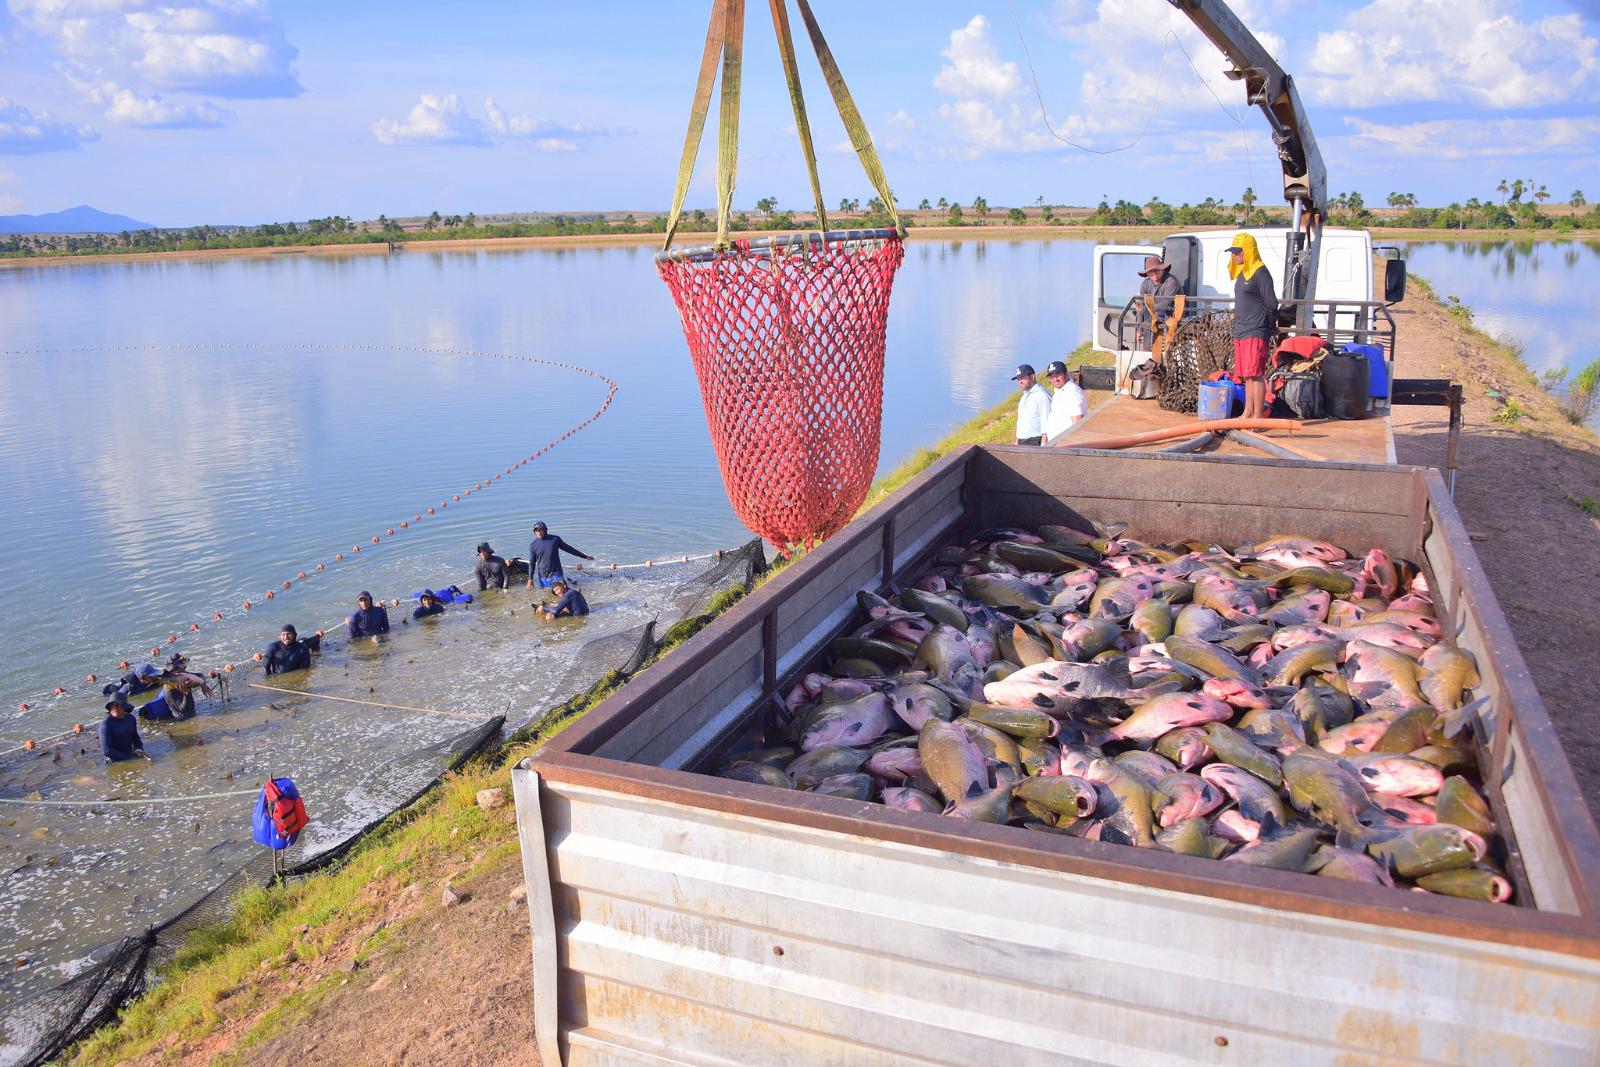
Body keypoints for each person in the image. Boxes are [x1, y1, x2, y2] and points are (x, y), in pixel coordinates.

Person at [1229, 233, 1278, 420]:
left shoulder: (1261, 272)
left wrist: (1270, 326)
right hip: (1241, 330)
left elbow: (1272, 303)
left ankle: (1257, 416)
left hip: (1256, 330)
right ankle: (1247, 412)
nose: (1234, 256)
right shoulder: (1242, 273)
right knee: (1247, 375)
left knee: (1256, 374)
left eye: (1237, 252)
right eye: (1233, 253)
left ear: (1248, 252)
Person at [140, 653, 210, 721]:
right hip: (184, 722)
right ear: (173, 672)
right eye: (182, 666)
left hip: (192, 716)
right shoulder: (169, 690)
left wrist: (203, 684)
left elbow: (200, 675)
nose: (185, 667)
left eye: (184, 664)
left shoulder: (182, 676)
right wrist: (186, 695)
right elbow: (185, 712)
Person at [526, 521, 594, 588]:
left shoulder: (555, 539)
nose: (538, 532)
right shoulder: (533, 545)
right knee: (548, 596)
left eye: (540, 529)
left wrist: (584, 556)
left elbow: (569, 549)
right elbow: (532, 563)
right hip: (542, 576)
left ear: (545, 530)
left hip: (556, 572)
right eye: (536, 530)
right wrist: (530, 579)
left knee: (561, 590)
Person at [1136, 257, 1181, 350]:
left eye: (1156, 270)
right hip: (1152, 315)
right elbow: (1141, 307)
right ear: (1147, 273)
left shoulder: (1171, 281)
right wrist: (1139, 328)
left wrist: (1144, 308)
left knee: (1171, 323)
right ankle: (1146, 351)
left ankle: (1169, 353)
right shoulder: (1145, 284)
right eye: (1150, 271)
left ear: (1162, 269)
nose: (1154, 273)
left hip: (1171, 315)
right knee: (1145, 319)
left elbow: (1166, 304)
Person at [1043, 360, 1087, 444]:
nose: (1055, 379)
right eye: (1051, 376)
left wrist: (1069, 446)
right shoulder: (1059, 391)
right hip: (1055, 445)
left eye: (1058, 375)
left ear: (1066, 374)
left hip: (1065, 446)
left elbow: (1077, 421)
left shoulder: (1072, 392)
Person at [99, 697, 150, 763]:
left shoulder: (130, 718)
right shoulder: (105, 724)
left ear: (124, 707)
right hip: (114, 761)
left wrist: (139, 748)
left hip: (128, 754)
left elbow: (135, 737)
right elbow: (107, 750)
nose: (115, 708)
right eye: (112, 706)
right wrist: (128, 758)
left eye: (117, 705)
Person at [1011, 364, 1051, 446]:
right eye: (1018, 379)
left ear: (1032, 377)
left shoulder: (1042, 395)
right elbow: (1022, 422)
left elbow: (1047, 425)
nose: (1020, 382)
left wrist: (1044, 448)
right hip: (1022, 442)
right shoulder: (1024, 396)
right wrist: (1017, 442)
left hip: (1035, 442)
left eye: (1022, 378)